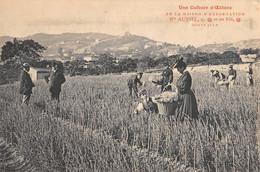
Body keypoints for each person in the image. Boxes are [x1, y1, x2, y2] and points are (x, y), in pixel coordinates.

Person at [174, 58, 199, 122]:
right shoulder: (183, 75)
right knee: (180, 111)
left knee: (186, 112)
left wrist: (178, 89)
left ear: (182, 67)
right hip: (182, 95)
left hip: (186, 96)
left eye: (178, 68)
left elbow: (183, 87)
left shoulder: (186, 75)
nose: (178, 70)